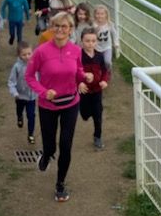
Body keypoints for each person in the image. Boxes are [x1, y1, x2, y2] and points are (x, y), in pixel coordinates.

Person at [25, 12, 93, 202]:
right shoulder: (41, 51)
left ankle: (60, 184)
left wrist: (84, 76)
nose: (60, 30)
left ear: (71, 30)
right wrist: (44, 91)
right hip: (48, 105)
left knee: (65, 145)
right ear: (52, 27)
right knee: (50, 146)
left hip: (71, 103)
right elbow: (29, 76)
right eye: (57, 26)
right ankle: (46, 156)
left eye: (65, 27)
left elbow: (77, 71)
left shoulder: (76, 50)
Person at [78, 27, 109, 149]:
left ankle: (97, 137)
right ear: (82, 41)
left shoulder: (100, 56)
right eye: (87, 41)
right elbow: (74, 72)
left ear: (96, 41)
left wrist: (104, 81)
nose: (90, 43)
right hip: (84, 92)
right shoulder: (78, 56)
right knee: (85, 115)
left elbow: (105, 71)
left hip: (97, 91)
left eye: (93, 41)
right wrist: (79, 83)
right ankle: (87, 112)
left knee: (98, 115)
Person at [8, 41, 36, 144]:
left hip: (31, 97)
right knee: (20, 110)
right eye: (24, 54)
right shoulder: (17, 67)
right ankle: (19, 116)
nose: (27, 56)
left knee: (31, 115)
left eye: (29, 53)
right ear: (19, 55)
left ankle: (30, 134)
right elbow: (11, 82)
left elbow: (40, 76)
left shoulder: (35, 64)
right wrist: (15, 93)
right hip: (20, 96)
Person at [93, 4, 119, 70]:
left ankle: (108, 71)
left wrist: (116, 43)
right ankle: (100, 74)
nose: (100, 16)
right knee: (97, 62)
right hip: (97, 47)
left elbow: (114, 33)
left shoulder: (109, 24)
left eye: (102, 14)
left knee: (107, 61)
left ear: (106, 15)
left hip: (107, 47)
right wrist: (95, 31)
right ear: (95, 15)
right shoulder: (93, 25)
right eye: (98, 14)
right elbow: (91, 35)